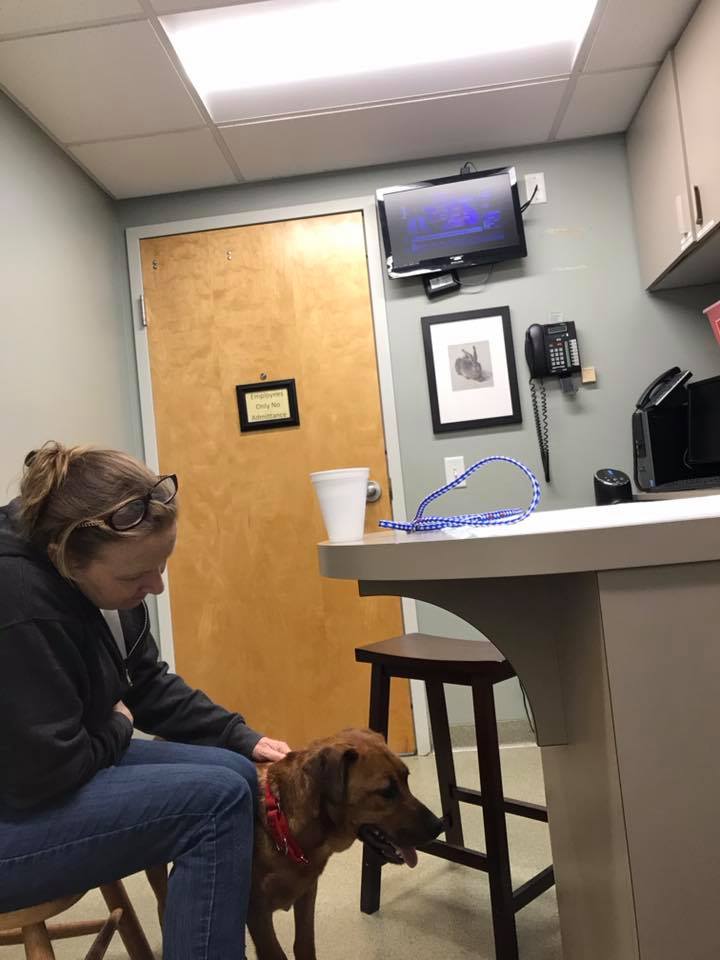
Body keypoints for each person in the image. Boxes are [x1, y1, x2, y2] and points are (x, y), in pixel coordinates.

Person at [0, 442, 290, 960]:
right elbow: (44, 776)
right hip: (20, 806)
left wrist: (237, 735)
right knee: (215, 803)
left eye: (161, 566)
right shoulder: (20, 601)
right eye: (136, 576)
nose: (155, 586)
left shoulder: (96, 581)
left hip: (46, 766)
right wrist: (117, 726)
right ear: (67, 556)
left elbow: (145, 683)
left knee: (236, 773)